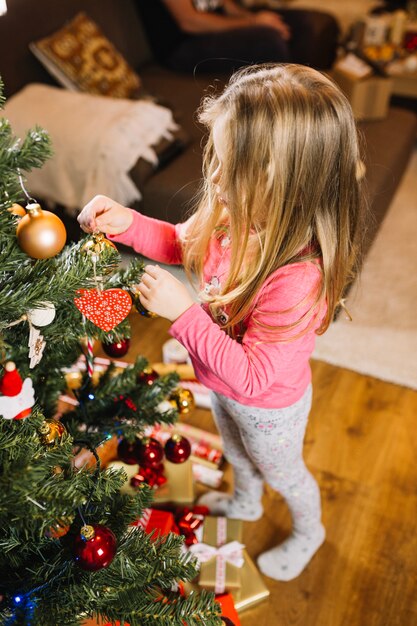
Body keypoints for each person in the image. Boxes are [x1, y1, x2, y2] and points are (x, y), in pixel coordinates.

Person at [78, 64, 363, 581]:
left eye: (230, 168)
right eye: (218, 158)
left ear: (283, 180)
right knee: (234, 449)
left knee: (283, 472)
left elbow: (254, 375)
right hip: (225, 387)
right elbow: (181, 244)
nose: (213, 178)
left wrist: (185, 314)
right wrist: (130, 224)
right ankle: (245, 501)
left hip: (270, 406)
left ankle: (309, 529)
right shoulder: (235, 214)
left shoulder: (298, 278)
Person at [135, 0, 340, 73]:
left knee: (301, 24)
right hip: (182, 46)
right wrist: (254, 23)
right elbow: (189, 22)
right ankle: (284, 109)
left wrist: (255, 17)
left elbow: (226, 6)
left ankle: (308, 97)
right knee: (268, 41)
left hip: (213, 29)